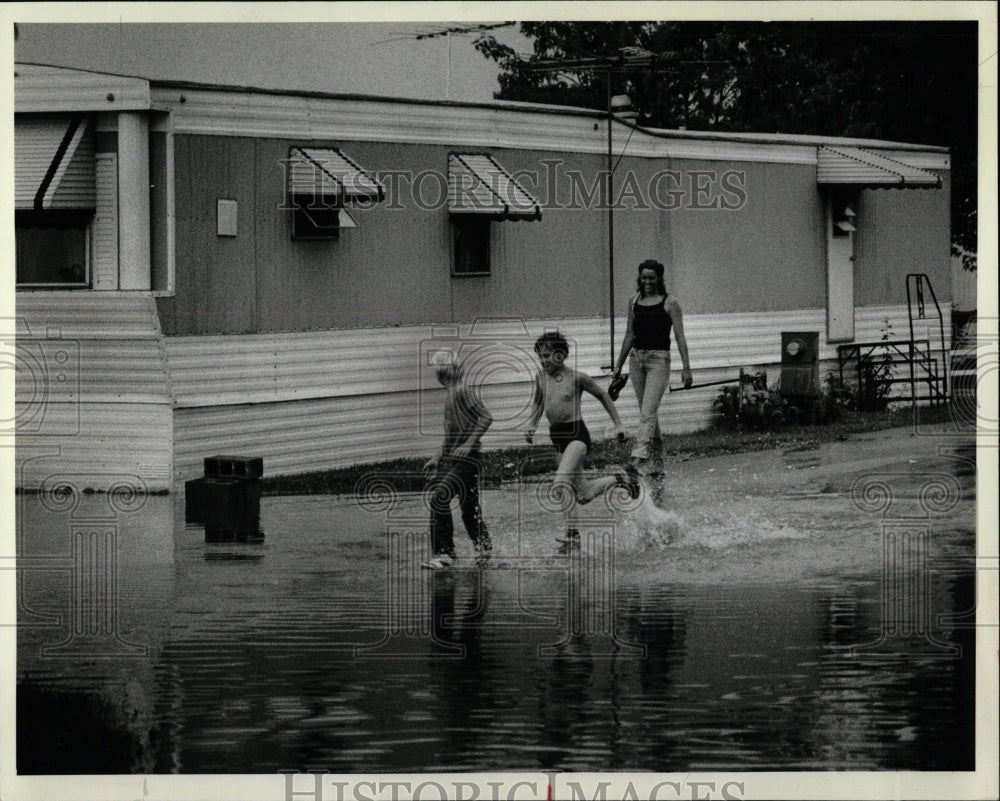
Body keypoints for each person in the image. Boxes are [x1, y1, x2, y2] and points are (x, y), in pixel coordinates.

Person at [526, 331, 640, 552]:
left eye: (548, 355)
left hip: (577, 435)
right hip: (557, 437)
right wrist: (532, 423)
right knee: (584, 494)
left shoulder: (577, 377)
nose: (543, 361)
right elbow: (539, 403)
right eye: (540, 356)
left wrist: (618, 424)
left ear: (561, 355)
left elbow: (603, 396)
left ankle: (571, 536)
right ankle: (624, 477)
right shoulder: (540, 377)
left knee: (560, 483)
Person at [610, 259, 693, 475]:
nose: (647, 281)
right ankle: (657, 464)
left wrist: (687, 368)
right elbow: (629, 335)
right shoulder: (634, 301)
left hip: (659, 361)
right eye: (643, 277)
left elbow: (680, 337)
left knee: (648, 411)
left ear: (659, 278)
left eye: (651, 277)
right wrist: (618, 365)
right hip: (637, 360)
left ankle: (638, 459)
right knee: (648, 412)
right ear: (639, 278)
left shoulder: (669, 302)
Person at [422, 349, 493, 569]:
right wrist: (436, 457)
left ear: (443, 372)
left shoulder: (462, 391)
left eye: (437, 369)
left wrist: (469, 444)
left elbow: (486, 417)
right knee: (469, 508)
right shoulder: (452, 395)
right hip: (459, 461)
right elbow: (450, 437)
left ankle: (446, 554)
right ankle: (485, 550)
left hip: (469, 459)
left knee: (438, 498)